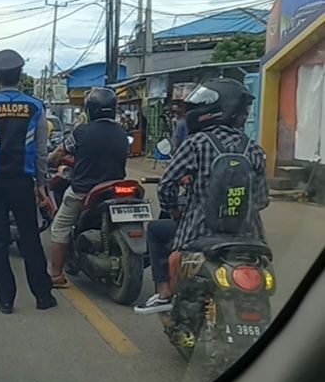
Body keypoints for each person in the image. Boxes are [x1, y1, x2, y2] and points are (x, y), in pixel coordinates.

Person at [134, 77, 269, 314]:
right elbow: (261, 200)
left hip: (200, 232)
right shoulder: (254, 149)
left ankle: (165, 293)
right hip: (249, 235)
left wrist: (174, 210)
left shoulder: (197, 143)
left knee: (156, 231)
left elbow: (167, 185)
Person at [0, 49, 56, 313]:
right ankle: (43, 297)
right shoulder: (35, 106)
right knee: (30, 238)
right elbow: (42, 151)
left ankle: (5, 301)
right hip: (23, 180)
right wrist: (41, 184)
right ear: (21, 75)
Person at [47, 87, 128, 288]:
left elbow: (59, 152)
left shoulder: (81, 131)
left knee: (60, 226)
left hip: (84, 191)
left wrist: (50, 160)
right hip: (114, 189)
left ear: (90, 109)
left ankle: (55, 274)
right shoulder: (121, 132)